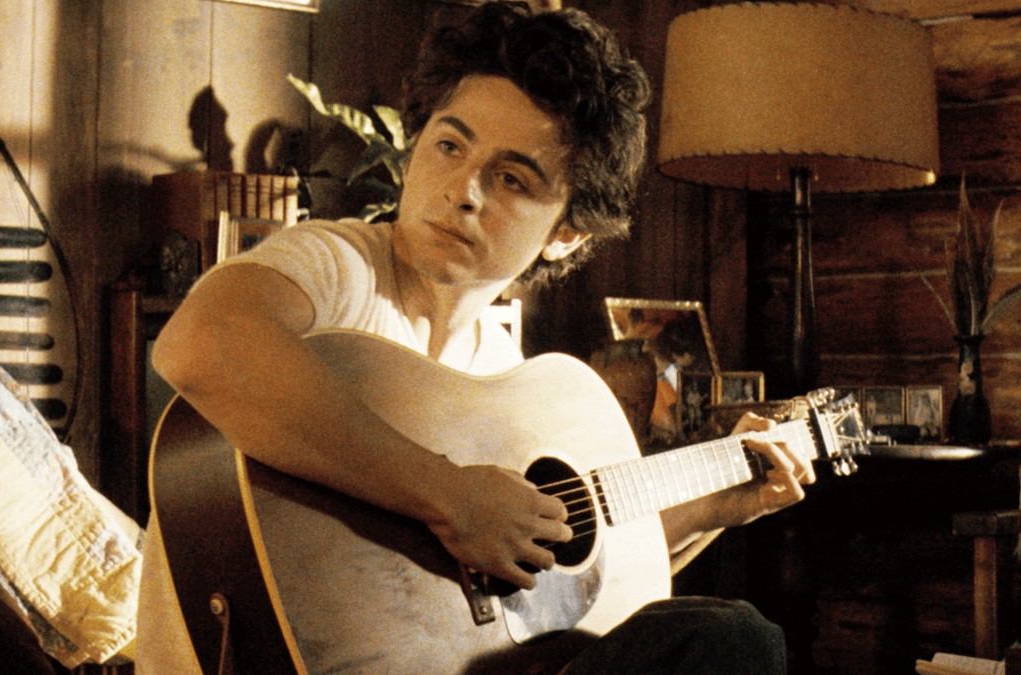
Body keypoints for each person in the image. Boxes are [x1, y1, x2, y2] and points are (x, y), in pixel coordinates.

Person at [138, 3, 816, 672]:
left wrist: (712, 507)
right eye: (449, 145)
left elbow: (550, 584)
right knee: (736, 638)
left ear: (566, 233)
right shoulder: (337, 268)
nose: (463, 189)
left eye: (511, 179)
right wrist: (452, 496)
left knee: (726, 638)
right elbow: (200, 342)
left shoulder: (499, 367)